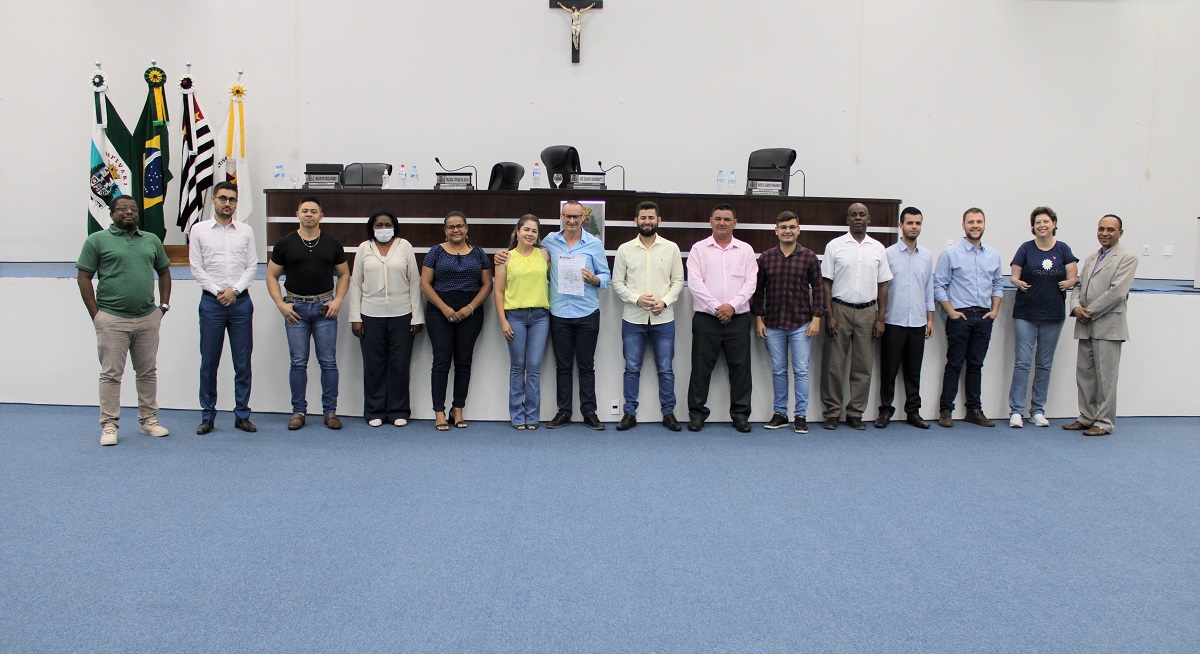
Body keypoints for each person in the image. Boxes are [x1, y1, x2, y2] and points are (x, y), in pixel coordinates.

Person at [495, 201, 611, 430]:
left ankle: (589, 412)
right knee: (563, 366)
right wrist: (501, 254)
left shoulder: (594, 244)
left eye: (576, 216)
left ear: (583, 218)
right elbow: (522, 255)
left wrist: (596, 279)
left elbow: (606, 274)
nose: (572, 220)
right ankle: (564, 412)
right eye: (568, 216)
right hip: (559, 313)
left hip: (587, 311)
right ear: (561, 216)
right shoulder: (549, 243)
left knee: (586, 365)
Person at [76, 196, 172, 446]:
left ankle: (149, 420)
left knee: (147, 372)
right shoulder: (97, 240)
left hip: (147, 318)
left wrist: (163, 306)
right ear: (111, 214)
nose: (129, 212)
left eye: (133, 209)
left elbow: (164, 271)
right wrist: (96, 315)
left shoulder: (151, 240)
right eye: (122, 209)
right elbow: (84, 277)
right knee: (111, 374)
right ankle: (109, 424)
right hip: (112, 319)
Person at [266, 196, 350, 431]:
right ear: (297, 214)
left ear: (321, 216)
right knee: (298, 363)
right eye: (305, 211)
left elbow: (344, 274)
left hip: (325, 308)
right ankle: (298, 412)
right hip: (295, 310)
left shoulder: (332, 243)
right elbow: (271, 275)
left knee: (328, 363)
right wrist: (280, 304)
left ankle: (330, 412)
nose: (309, 215)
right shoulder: (284, 243)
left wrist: (338, 300)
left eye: (314, 211)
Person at [188, 181, 257, 435]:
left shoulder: (246, 231)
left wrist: (234, 291)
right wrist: (219, 291)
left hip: (241, 303)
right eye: (223, 198)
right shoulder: (199, 230)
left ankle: (242, 415)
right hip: (212, 303)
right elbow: (196, 267)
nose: (228, 203)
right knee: (209, 362)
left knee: (243, 362)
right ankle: (207, 416)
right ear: (213, 200)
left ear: (236, 203)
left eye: (232, 199)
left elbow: (252, 266)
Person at [610, 201, 685, 431]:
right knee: (632, 368)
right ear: (636, 220)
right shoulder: (625, 249)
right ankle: (629, 413)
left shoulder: (671, 248)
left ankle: (668, 413)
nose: (647, 221)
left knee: (666, 369)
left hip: (664, 319)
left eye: (651, 217)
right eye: (643, 218)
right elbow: (617, 282)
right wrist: (636, 299)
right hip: (634, 319)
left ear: (658, 220)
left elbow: (678, 281)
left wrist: (665, 301)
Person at [348, 211, 425, 428]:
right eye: (379, 225)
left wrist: (417, 317)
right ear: (372, 228)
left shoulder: (405, 246)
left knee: (400, 365)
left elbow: (414, 282)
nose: (383, 229)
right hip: (370, 315)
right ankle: (374, 410)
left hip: (402, 315)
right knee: (374, 365)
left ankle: (398, 410)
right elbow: (356, 284)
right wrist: (355, 317)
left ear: (395, 226)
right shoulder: (364, 248)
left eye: (387, 225)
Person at [1063, 215, 1138, 436]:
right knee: (1084, 376)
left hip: (1108, 327)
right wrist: (1076, 307)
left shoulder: (1127, 258)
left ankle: (1104, 422)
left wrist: (1089, 312)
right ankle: (1086, 417)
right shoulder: (1090, 259)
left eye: (1110, 230)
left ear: (1120, 233)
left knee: (1106, 379)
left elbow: (1117, 292)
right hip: (1085, 326)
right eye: (1101, 229)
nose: (1105, 233)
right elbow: (1078, 287)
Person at [751, 210, 825, 434]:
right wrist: (758, 319)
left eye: (792, 227)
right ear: (776, 231)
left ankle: (800, 416)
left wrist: (816, 319)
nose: (788, 231)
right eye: (783, 227)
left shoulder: (809, 257)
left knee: (801, 371)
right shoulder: (766, 258)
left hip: (801, 323)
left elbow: (819, 290)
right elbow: (758, 291)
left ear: (798, 230)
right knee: (779, 371)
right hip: (773, 324)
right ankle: (780, 414)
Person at [686, 203, 758, 433]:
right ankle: (697, 415)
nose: (722, 223)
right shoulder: (699, 249)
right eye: (718, 219)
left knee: (741, 370)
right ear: (710, 221)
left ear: (735, 223)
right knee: (700, 369)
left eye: (727, 219)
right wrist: (718, 308)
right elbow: (695, 283)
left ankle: (741, 415)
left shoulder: (745, 250)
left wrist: (732, 307)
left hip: (738, 319)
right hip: (706, 318)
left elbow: (751, 283)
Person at [820, 203, 892, 430]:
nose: (858, 218)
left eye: (862, 215)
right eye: (854, 214)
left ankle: (855, 413)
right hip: (839, 310)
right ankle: (832, 412)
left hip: (868, 313)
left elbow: (883, 285)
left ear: (869, 219)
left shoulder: (878, 248)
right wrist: (829, 315)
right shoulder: (835, 246)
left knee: (863, 366)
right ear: (847, 219)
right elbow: (826, 283)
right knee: (833, 366)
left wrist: (880, 318)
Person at [420, 211, 493, 431]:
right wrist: (444, 307)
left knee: (463, 362)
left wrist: (470, 308)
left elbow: (487, 284)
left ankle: (458, 409)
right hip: (439, 310)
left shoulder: (478, 253)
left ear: (466, 228)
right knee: (441, 361)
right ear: (445, 230)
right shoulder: (435, 251)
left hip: (471, 310)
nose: (456, 230)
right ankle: (439, 412)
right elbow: (425, 284)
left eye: (460, 226)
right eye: (451, 227)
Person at [1006, 207, 1078, 428]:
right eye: (1038, 222)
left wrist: (1069, 282)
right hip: (1025, 314)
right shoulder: (1026, 248)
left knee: (1045, 364)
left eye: (1046, 221)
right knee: (1022, 363)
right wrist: (1017, 282)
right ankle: (1016, 411)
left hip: (1053, 315)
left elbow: (1073, 276)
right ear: (1033, 226)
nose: (1042, 225)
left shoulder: (1063, 249)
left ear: (1054, 224)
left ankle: (1037, 410)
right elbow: (1014, 276)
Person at [933, 207, 1004, 428]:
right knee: (954, 364)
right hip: (960, 317)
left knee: (975, 365)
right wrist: (951, 312)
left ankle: (974, 410)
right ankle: (946, 410)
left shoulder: (993, 255)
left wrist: (994, 311)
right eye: (971, 222)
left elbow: (998, 284)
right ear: (963, 226)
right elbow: (939, 285)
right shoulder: (950, 254)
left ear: (984, 225)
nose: (975, 225)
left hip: (984, 317)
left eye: (979, 222)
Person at [875, 207, 934, 429]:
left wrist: (930, 318)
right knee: (889, 370)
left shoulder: (927, 256)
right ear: (901, 225)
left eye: (918, 223)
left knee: (913, 371)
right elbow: (880, 288)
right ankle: (885, 410)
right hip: (893, 321)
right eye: (910, 223)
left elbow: (928, 289)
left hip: (917, 322)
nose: (914, 227)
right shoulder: (888, 254)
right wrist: (879, 318)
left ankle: (913, 412)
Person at [494, 215, 551, 430]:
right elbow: (499, 292)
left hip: (540, 317)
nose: (530, 234)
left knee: (534, 367)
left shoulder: (544, 254)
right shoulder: (505, 257)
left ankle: (532, 415)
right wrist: (503, 320)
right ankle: (517, 415)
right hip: (515, 317)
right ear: (517, 231)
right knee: (518, 367)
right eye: (526, 229)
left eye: (534, 231)